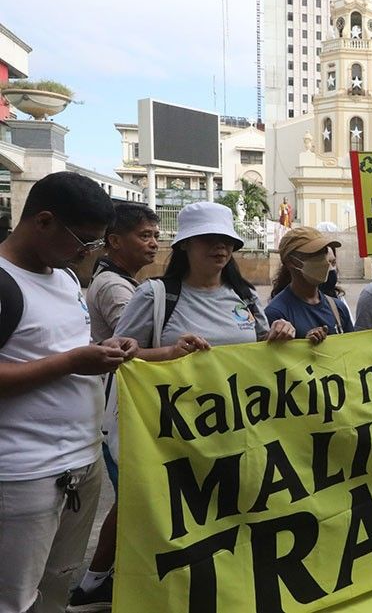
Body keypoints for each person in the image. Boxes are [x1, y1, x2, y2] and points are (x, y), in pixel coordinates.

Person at [0, 172, 138, 613]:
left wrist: (103, 350)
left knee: (57, 582)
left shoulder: (62, 279)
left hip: (82, 462)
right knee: (15, 595)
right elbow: (63, 360)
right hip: (24, 475)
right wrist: (72, 363)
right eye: (85, 240)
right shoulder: (5, 282)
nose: (89, 253)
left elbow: (64, 349)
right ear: (43, 221)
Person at [69, 204, 160, 610]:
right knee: (138, 500)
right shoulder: (117, 289)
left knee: (134, 500)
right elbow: (135, 349)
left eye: (155, 234)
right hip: (122, 409)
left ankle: (97, 581)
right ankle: (93, 584)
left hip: (125, 406)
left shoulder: (124, 282)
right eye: (144, 235)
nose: (154, 242)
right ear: (114, 241)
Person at [114, 201, 295, 362]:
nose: (220, 246)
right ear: (184, 244)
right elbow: (118, 355)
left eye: (227, 239)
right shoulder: (154, 295)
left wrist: (281, 332)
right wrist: (169, 353)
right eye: (208, 238)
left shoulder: (246, 295)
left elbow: (262, 347)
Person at [266, 226, 353, 341]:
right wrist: (304, 347)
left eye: (324, 253)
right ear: (291, 262)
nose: (324, 261)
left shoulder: (338, 308)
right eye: (314, 254)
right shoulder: (277, 313)